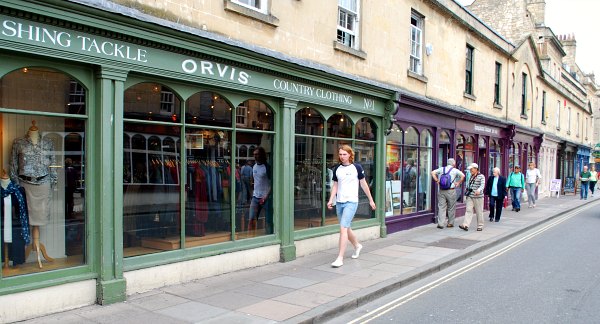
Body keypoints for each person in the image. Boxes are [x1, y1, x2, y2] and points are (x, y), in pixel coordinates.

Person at [9, 121, 57, 268]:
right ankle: (31, 247)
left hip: (43, 184)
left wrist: (53, 183)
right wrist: (17, 187)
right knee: (25, 216)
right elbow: (13, 165)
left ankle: (37, 247)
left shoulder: (48, 143)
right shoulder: (18, 143)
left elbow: (53, 164)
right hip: (25, 185)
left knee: (41, 216)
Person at [327, 145, 376, 268]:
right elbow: (335, 186)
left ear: (350, 155)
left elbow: (364, 185)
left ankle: (340, 258)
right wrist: (331, 199)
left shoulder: (357, 168)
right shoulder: (337, 169)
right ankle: (357, 245)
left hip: (351, 202)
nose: (342, 156)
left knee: (343, 228)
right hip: (339, 202)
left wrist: (371, 200)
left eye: (344, 154)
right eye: (340, 154)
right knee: (346, 227)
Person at [431, 158, 465, 229]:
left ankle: (440, 224)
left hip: (441, 190)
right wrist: (458, 182)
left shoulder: (441, 169)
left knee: (441, 207)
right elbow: (463, 176)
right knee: (451, 207)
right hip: (451, 190)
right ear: (453, 164)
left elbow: (432, 173)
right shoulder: (455, 170)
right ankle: (450, 223)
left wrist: (437, 180)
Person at [248, 147, 272, 233]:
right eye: (254, 154)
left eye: (257, 154)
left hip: (266, 198)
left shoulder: (267, 167)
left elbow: (272, 184)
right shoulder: (254, 166)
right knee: (252, 220)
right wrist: (252, 193)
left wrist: (266, 196)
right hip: (255, 197)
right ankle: (251, 239)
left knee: (269, 221)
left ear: (261, 155)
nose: (255, 156)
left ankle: (269, 237)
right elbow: (253, 181)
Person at [459, 163, 485, 231]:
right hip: (470, 196)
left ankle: (480, 225)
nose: (470, 170)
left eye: (472, 169)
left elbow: (482, 185)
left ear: (476, 169)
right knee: (468, 210)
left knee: (479, 211)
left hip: (478, 197)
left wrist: (479, 190)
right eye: (470, 169)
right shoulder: (471, 175)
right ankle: (465, 225)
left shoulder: (481, 176)